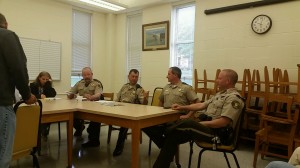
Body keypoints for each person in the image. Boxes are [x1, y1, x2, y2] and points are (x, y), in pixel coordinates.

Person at [152, 69, 244, 168]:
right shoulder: (220, 94)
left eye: (219, 78)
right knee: (174, 136)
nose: (217, 80)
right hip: (208, 127)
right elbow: (201, 105)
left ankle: (165, 132)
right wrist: (182, 107)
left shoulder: (233, 98)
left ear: (228, 81)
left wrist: (200, 124)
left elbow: (223, 122)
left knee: (188, 123)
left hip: (218, 134)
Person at [0, 13, 37, 168]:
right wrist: (26, 95)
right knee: (2, 156)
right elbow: (18, 67)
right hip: (1, 103)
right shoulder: (6, 36)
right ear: (6, 24)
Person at [142, 66, 199, 149]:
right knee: (145, 125)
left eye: (169, 74)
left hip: (177, 118)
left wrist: (188, 116)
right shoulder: (166, 87)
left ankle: (167, 148)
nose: (166, 76)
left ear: (175, 75)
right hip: (164, 117)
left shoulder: (186, 88)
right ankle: (166, 147)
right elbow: (160, 103)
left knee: (169, 130)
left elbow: (197, 103)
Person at [113, 69, 148, 156]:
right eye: (132, 76)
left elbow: (143, 105)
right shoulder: (124, 86)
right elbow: (117, 99)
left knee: (124, 124)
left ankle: (119, 147)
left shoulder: (139, 89)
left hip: (131, 112)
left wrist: (145, 98)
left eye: (136, 77)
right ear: (128, 77)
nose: (134, 78)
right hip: (120, 109)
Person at [67, 67, 103, 147]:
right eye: (84, 75)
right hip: (81, 107)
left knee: (95, 119)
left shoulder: (96, 84)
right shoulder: (79, 83)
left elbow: (98, 95)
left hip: (93, 108)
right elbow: (70, 92)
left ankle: (94, 141)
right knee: (71, 114)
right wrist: (70, 95)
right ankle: (80, 127)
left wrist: (91, 97)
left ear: (92, 74)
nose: (86, 76)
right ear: (82, 76)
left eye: (88, 74)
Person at [30, 71, 57, 140]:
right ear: (39, 78)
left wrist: (48, 84)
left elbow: (53, 94)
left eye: (47, 79)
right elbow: (30, 95)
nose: (45, 81)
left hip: (47, 106)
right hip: (35, 106)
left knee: (49, 114)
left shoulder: (48, 86)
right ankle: (39, 132)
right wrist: (39, 96)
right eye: (43, 79)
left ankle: (45, 131)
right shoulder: (33, 85)